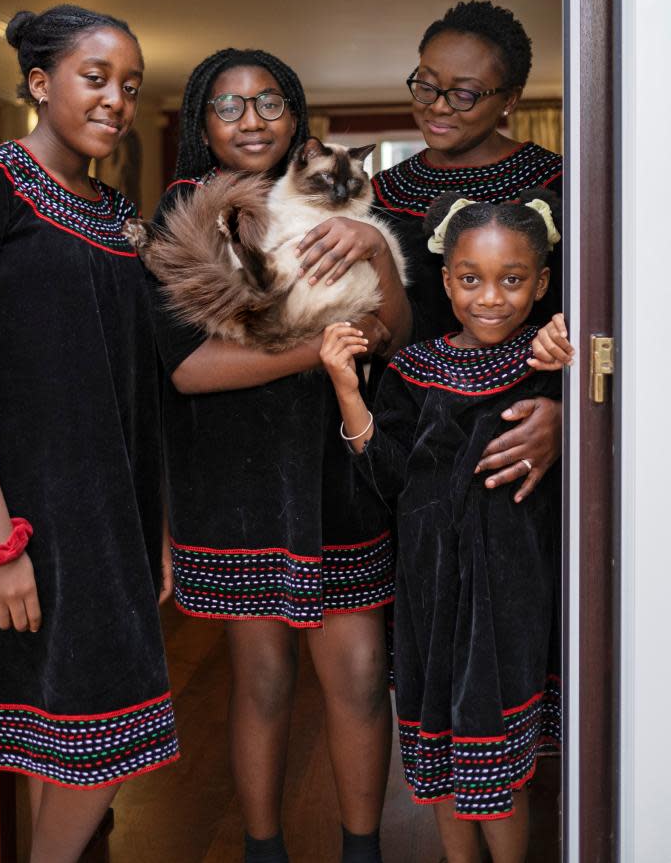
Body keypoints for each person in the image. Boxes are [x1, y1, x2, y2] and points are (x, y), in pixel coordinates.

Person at [152, 48, 411, 863]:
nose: (251, 118)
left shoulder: (345, 201)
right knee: (261, 680)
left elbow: (396, 332)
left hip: (341, 468)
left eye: (269, 102)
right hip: (238, 480)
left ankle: (361, 851)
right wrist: (322, 349)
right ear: (201, 125)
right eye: (228, 106)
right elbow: (188, 368)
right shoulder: (184, 214)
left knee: (362, 674)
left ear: (297, 119)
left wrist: (369, 247)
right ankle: (263, 849)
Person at [0, 5, 178, 863]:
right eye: (96, 78)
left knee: (92, 736)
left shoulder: (120, 214)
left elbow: (137, 388)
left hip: (104, 523)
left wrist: (149, 526)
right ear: (40, 84)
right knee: (83, 733)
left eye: (130, 84)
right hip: (17, 518)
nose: (117, 99)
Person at [320, 192, 572, 863]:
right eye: (470, 279)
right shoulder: (413, 370)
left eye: (512, 279)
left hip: (510, 598)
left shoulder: (549, 364)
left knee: (495, 769)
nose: (489, 297)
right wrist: (348, 390)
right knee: (445, 772)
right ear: (445, 280)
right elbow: (389, 482)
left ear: (540, 283)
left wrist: (563, 384)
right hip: (430, 599)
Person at [369, 0, 563, 504]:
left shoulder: (558, 185)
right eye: (427, 84)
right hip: (409, 441)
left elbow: (598, 328)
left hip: (515, 438)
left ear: (510, 99)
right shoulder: (379, 196)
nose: (437, 106)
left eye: (465, 94)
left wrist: (569, 413)